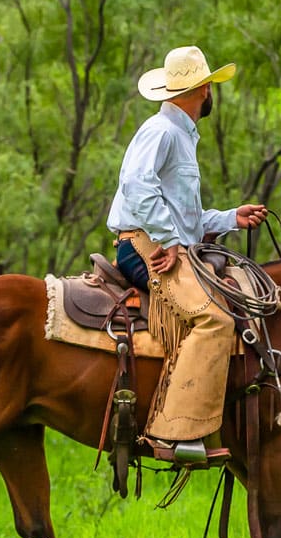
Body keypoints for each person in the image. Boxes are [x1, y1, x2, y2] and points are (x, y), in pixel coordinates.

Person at [107, 45, 268, 465]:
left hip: (157, 239)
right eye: (210, 86)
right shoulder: (162, 132)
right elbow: (137, 188)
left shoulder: (178, 135)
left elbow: (186, 215)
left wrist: (232, 216)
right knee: (213, 317)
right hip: (143, 246)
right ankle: (174, 434)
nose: (212, 92)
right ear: (203, 90)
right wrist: (170, 240)